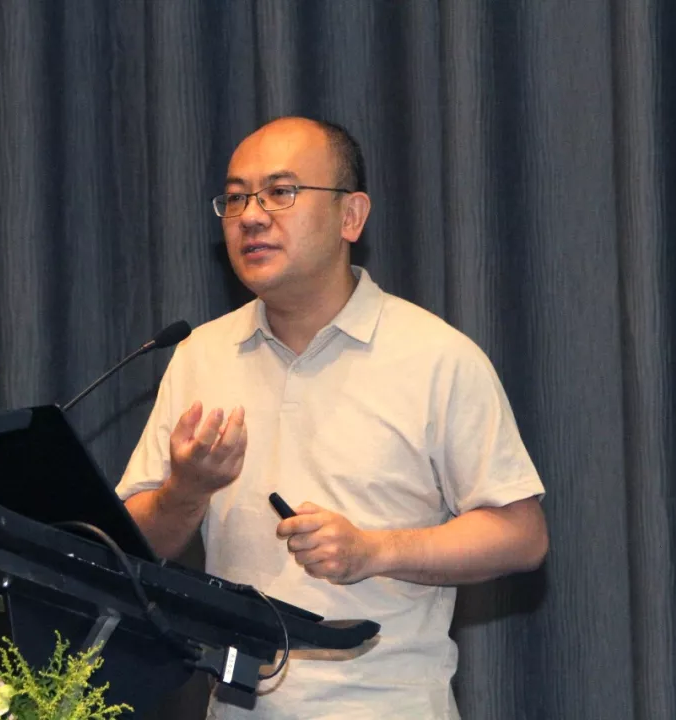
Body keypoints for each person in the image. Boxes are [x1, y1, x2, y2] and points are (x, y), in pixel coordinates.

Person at [115, 117, 548, 719]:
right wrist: (185, 491)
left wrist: (374, 550)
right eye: (236, 198)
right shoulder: (199, 356)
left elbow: (522, 536)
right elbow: (127, 549)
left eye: (281, 192)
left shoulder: (435, 356)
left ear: (351, 216)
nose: (251, 216)